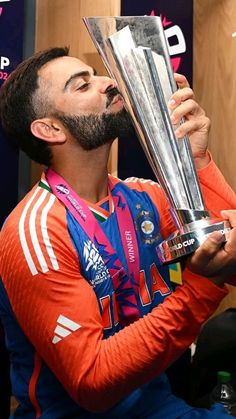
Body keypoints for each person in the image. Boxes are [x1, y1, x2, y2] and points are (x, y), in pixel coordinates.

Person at [0, 46, 235, 419]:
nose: (109, 82)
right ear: (51, 129)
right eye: (82, 86)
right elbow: (92, 382)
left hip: (158, 406)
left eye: (97, 74)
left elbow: (232, 249)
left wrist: (198, 162)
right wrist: (200, 289)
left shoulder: (142, 198)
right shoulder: (37, 230)